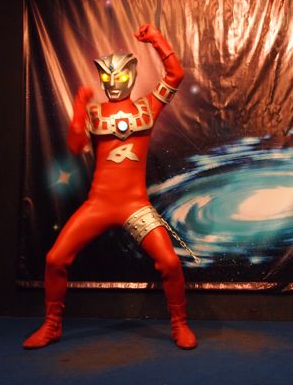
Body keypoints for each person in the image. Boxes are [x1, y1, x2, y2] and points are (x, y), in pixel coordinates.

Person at [23, 24, 197, 350]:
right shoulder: (95, 113)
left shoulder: (146, 107)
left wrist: (157, 39)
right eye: (107, 76)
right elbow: (75, 146)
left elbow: (175, 74)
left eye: (119, 75)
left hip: (135, 205)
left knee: (170, 263)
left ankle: (180, 323)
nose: (113, 82)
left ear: (130, 75)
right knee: (55, 259)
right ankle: (51, 324)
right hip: (99, 204)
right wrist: (79, 106)